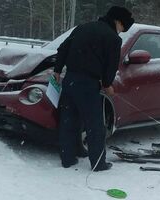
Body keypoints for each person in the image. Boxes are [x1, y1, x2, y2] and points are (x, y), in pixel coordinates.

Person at [53, 6, 134, 171]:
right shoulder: (113, 38)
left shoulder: (82, 27)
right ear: (117, 21)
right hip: (89, 85)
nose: (121, 32)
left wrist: (57, 69)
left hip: (70, 81)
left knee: (69, 121)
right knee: (95, 125)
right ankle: (98, 163)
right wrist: (107, 84)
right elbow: (110, 67)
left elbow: (63, 48)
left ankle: (67, 158)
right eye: (122, 27)